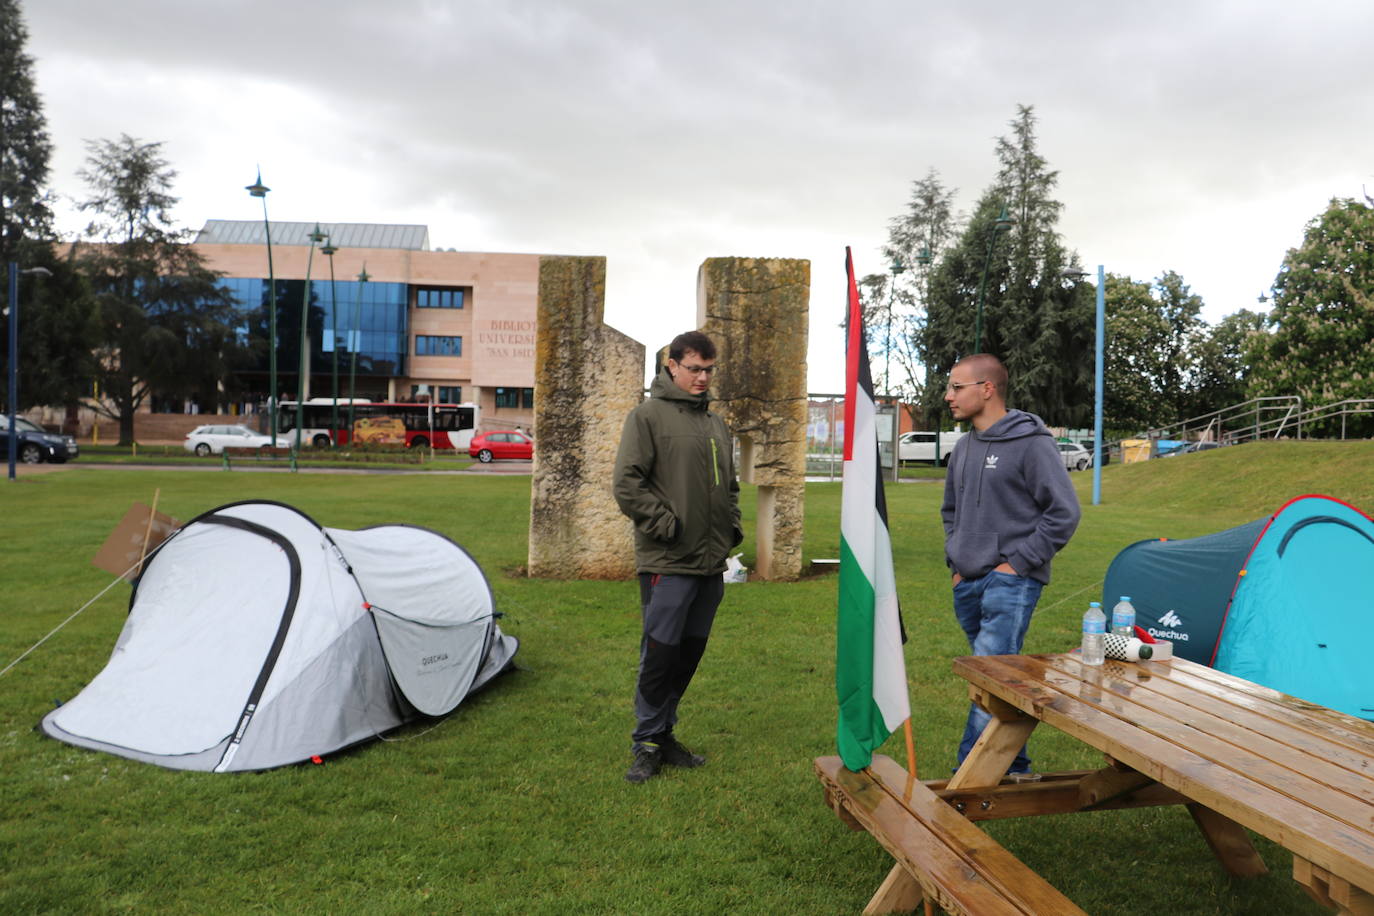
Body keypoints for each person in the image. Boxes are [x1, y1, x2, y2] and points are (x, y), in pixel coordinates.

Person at [941, 353, 1081, 778]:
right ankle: (1013, 765)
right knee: (997, 676)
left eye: (956, 387)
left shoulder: (1032, 443)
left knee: (988, 674)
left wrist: (1017, 563)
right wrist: (957, 560)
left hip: (1011, 581)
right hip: (968, 580)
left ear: (987, 389)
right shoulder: (964, 446)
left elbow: (1064, 513)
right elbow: (951, 510)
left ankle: (969, 775)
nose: (948, 396)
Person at [612, 330, 743, 784]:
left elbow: (729, 485)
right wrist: (667, 526)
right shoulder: (647, 417)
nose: (703, 377)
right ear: (672, 365)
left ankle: (664, 734)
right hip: (668, 563)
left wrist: (733, 526)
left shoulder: (715, 424)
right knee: (660, 655)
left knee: (689, 654)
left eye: (709, 370)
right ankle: (646, 743)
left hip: (710, 564)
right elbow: (627, 484)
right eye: (694, 369)